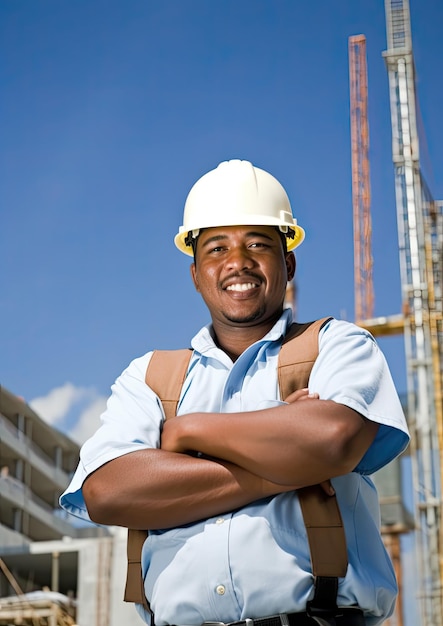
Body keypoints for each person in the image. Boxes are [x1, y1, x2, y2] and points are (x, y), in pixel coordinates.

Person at [60, 159, 409, 626]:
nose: (237, 262)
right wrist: (285, 466)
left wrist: (188, 432)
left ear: (287, 262)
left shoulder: (337, 344)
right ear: (196, 273)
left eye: (257, 244)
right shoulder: (149, 377)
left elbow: (333, 441)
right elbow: (106, 491)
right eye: (217, 247)